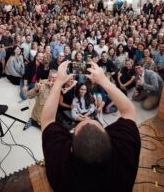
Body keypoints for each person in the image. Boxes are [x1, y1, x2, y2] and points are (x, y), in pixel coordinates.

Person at [41, 61, 140, 192]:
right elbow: (129, 111)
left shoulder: (59, 169)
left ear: (71, 148)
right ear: (109, 139)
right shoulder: (125, 155)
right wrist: (104, 81)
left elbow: (47, 120)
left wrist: (58, 82)